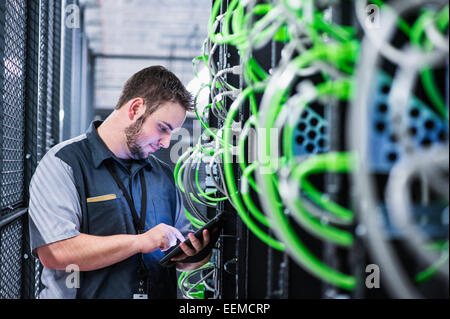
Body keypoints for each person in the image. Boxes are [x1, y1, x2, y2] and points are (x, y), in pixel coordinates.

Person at [28, 65, 212, 299]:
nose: (166, 143)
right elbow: (56, 252)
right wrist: (140, 242)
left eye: (172, 133)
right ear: (135, 108)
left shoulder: (163, 175)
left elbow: (179, 255)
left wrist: (193, 254)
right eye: (162, 128)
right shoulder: (64, 163)